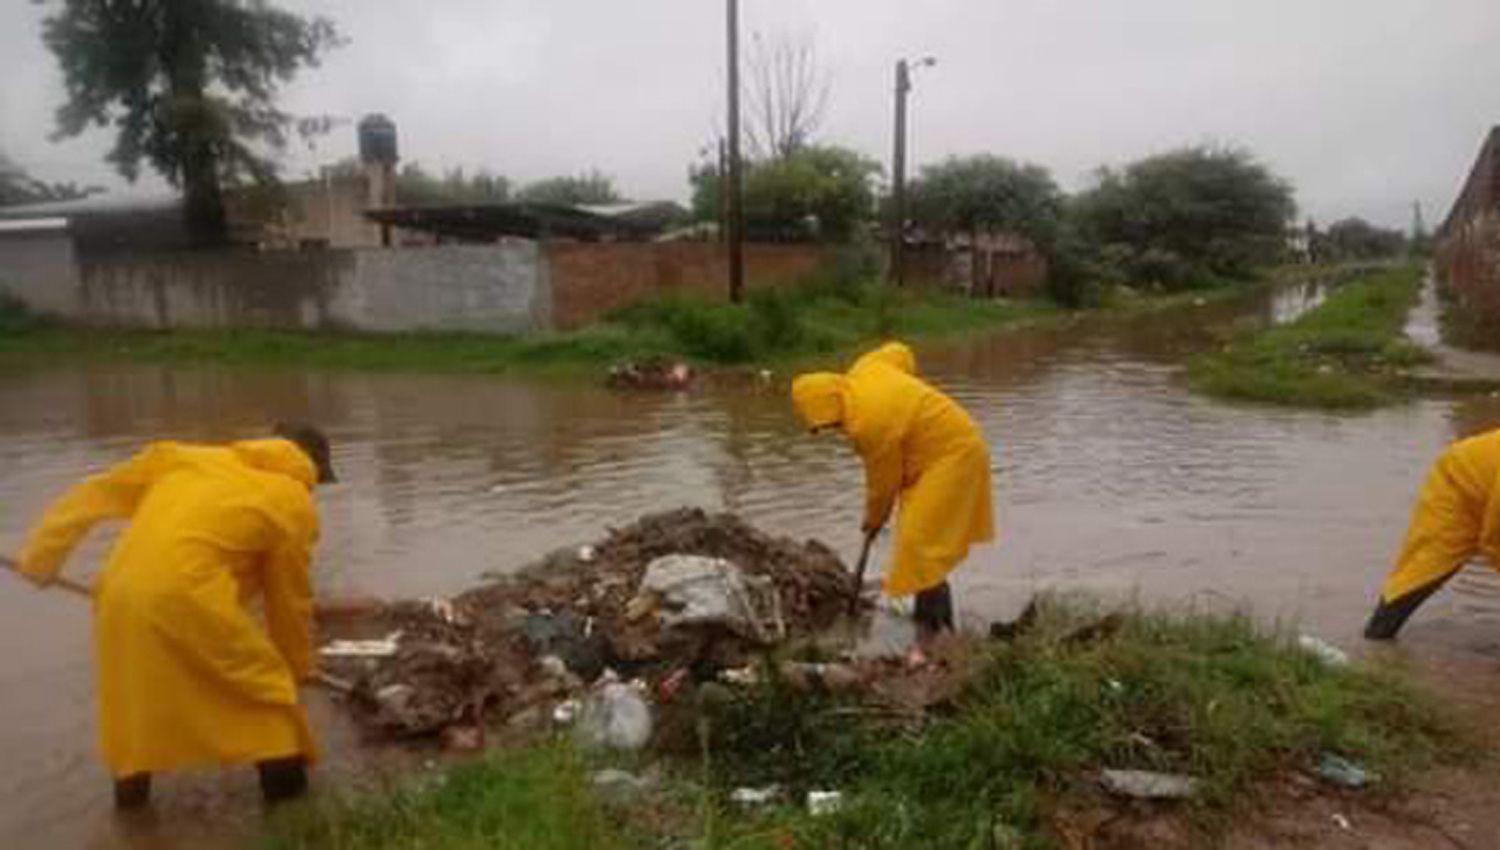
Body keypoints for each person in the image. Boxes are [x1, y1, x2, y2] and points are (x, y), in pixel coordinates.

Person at [15, 423, 336, 809]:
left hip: (117, 594)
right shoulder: (293, 501)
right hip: (188, 599)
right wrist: (298, 668)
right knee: (269, 699)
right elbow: (289, 601)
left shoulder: (185, 459)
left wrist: (42, 555)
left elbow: (95, 492)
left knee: (134, 706)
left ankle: (132, 818)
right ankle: (293, 817)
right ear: (312, 468)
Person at [791, 342, 994, 647]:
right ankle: (930, 629)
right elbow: (900, 353)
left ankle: (936, 630)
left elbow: (883, 483)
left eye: (832, 424)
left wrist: (872, 521)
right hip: (931, 458)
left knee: (920, 545)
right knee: (918, 544)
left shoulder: (867, 424)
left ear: (831, 407)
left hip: (952, 456)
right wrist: (906, 394)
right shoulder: (865, 370)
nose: (836, 430)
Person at [1365, 427, 1500, 640]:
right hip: (1457, 480)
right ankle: (1377, 640)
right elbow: (1493, 537)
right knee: (1422, 570)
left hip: (1487, 478)